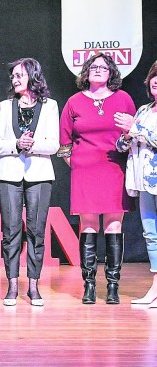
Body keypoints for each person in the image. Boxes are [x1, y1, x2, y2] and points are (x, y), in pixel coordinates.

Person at [58, 53, 135, 304]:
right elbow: (64, 141)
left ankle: (113, 285)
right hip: (85, 171)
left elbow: (133, 134)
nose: (98, 70)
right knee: (88, 225)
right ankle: (89, 285)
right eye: (93, 66)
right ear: (86, 72)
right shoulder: (74, 102)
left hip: (114, 168)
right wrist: (77, 164)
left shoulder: (123, 99)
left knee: (114, 225)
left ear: (111, 72)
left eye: (103, 67)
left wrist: (129, 130)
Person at [0, 58, 59, 306]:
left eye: (20, 75)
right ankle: (12, 284)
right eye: (13, 76)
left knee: (37, 231)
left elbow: (54, 143)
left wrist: (33, 145)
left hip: (39, 173)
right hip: (8, 173)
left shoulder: (50, 106)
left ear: (33, 76)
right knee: (10, 231)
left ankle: (34, 285)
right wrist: (16, 144)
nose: (15, 79)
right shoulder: (4, 107)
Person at [117, 61, 157, 306]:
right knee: (151, 235)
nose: (156, 80)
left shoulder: (139, 119)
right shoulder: (143, 110)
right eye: (154, 76)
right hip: (143, 182)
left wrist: (136, 128)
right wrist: (126, 135)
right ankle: (154, 288)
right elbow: (121, 147)